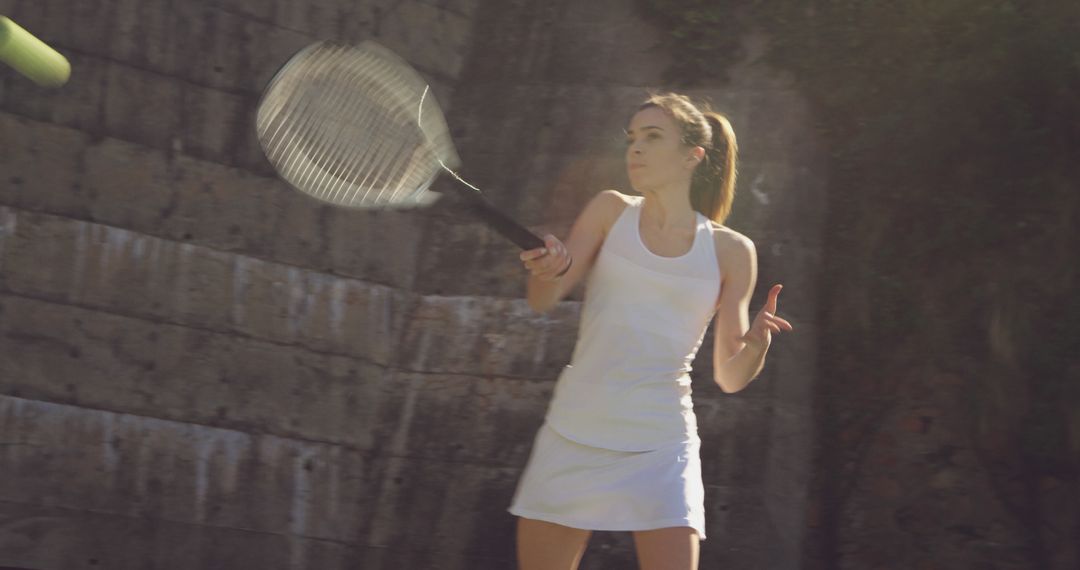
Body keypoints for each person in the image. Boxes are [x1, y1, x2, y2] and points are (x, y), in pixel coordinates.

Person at [508, 92, 793, 570]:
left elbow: (730, 375)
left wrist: (757, 346)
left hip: (662, 443)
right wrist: (546, 271)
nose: (635, 149)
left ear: (692, 157)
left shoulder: (732, 251)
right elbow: (542, 301)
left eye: (652, 137)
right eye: (632, 138)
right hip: (575, 430)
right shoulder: (608, 210)